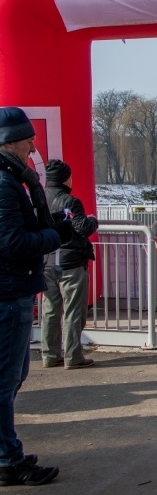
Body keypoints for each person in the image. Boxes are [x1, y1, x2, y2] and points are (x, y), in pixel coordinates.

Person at [0, 107, 71, 486]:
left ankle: (8, 454)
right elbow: (11, 242)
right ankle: (8, 459)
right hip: (8, 294)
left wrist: (53, 226)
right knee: (6, 381)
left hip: (12, 290)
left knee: (12, 379)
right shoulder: (5, 183)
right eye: (27, 137)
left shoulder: (12, 179)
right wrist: (56, 236)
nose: (33, 144)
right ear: (9, 140)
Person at [41, 159, 99, 370]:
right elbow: (83, 227)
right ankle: (73, 356)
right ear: (66, 178)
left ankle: (49, 355)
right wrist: (93, 220)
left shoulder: (39, 199)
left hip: (46, 262)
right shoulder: (70, 201)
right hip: (71, 262)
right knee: (74, 311)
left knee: (50, 310)